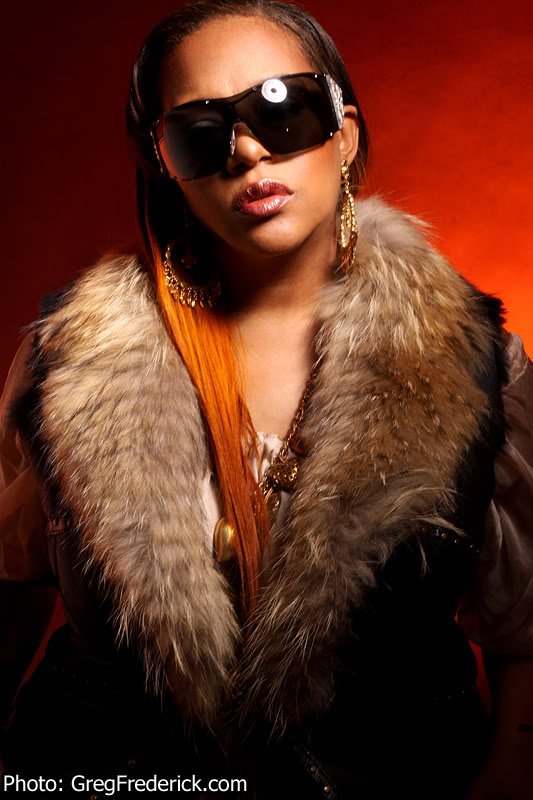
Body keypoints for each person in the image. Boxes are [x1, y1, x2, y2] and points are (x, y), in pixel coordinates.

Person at [1, 1, 532, 797]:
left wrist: (511, 771)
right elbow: (9, 582)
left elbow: (524, 624)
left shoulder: (480, 364)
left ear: (343, 133)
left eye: (283, 108)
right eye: (199, 132)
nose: (247, 149)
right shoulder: (66, 361)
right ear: (164, 163)